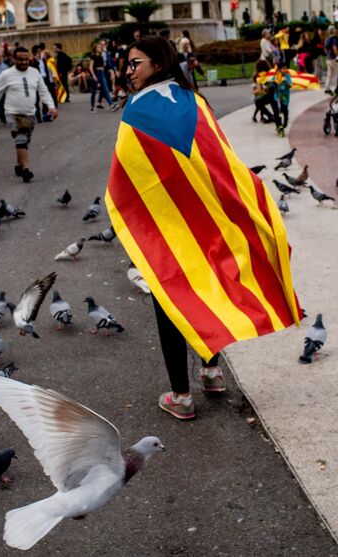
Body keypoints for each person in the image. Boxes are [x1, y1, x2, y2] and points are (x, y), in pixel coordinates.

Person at [110, 35, 300, 420]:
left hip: (167, 226)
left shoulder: (139, 109)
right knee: (205, 291)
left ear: (158, 64)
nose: (127, 71)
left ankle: (181, 396)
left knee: (171, 301)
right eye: (127, 64)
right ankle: (211, 372)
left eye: (135, 64)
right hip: (207, 219)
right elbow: (221, 162)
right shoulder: (194, 101)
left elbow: (127, 178)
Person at [0, 46, 58, 183]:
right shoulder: (6, 75)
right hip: (12, 114)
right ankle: (26, 170)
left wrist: (51, 107)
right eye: (20, 60)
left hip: (30, 114)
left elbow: (43, 91)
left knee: (24, 141)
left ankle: (20, 165)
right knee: (21, 139)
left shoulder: (35, 73)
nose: (24, 62)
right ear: (14, 59)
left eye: (26, 59)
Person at [89, 41, 118, 112]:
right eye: (98, 47)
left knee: (105, 89)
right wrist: (93, 75)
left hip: (102, 73)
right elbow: (90, 67)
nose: (100, 48)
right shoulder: (93, 56)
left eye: (100, 47)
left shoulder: (101, 56)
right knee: (93, 92)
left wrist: (111, 71)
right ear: (95, 49)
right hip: (96, 73)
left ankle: (111, 105)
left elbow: (105, 64)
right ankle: (92, 107)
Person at [268, 60, 293, 136]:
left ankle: (285, 121)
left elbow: (290, 85)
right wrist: (269, 84)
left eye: (286, 68)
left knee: (284, 110)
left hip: (285, 97)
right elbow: (270, 84)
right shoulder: (276, 77)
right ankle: (279, 126)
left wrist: (286, 82)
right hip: (277, 97)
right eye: (283, 68)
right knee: (278, 112)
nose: (285, 70)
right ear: (279, 69)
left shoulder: (287, 76)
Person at [326, 26, 338, 94]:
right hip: (333, 58)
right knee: (337, 74)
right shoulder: (334, 39)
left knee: (329, 74)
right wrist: (337, 55)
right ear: (333, 31)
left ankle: (327, 88)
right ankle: (337, 89)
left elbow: (325, 49)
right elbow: (334, 48)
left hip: (328, 58)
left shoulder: (327, 39)